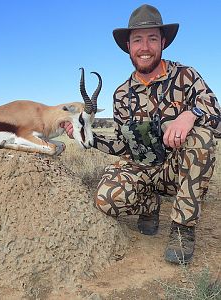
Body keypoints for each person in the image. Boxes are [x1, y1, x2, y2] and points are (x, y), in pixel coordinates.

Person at [62, 4, 221, 264]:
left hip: (177, 170)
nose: (144, 47)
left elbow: (217, 115)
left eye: (152, 38)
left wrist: (190, 115)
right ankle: (149, 205)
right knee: (106, 200)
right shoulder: (122, 94)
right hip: (143, 168)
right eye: (137, 40)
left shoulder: (186, 76)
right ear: (128, 46)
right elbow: (124, 147)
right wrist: (86, 137)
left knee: (200, 138)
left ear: (163, 42)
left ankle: (182, 229)